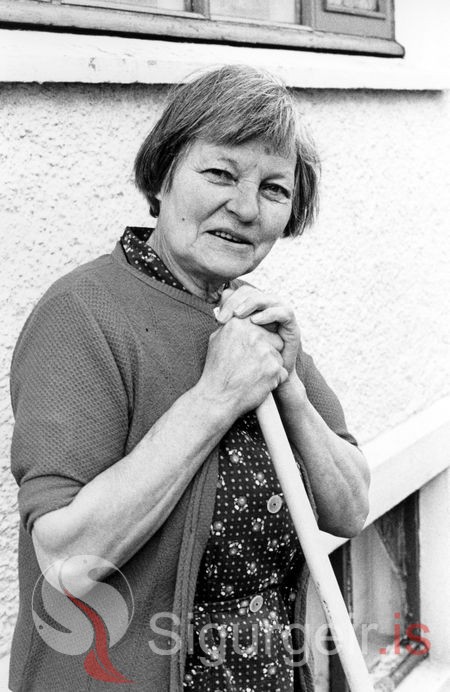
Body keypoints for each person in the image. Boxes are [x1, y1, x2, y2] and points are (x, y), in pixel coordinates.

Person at [9, 65, 370, 692]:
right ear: (163, 175)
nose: (245, 207)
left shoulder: (250, 321)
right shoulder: (83, 314)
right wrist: (216, 398)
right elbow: (67, 560)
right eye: (220, 174)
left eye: (274, 189)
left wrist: (287, 386)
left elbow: (351, 509)